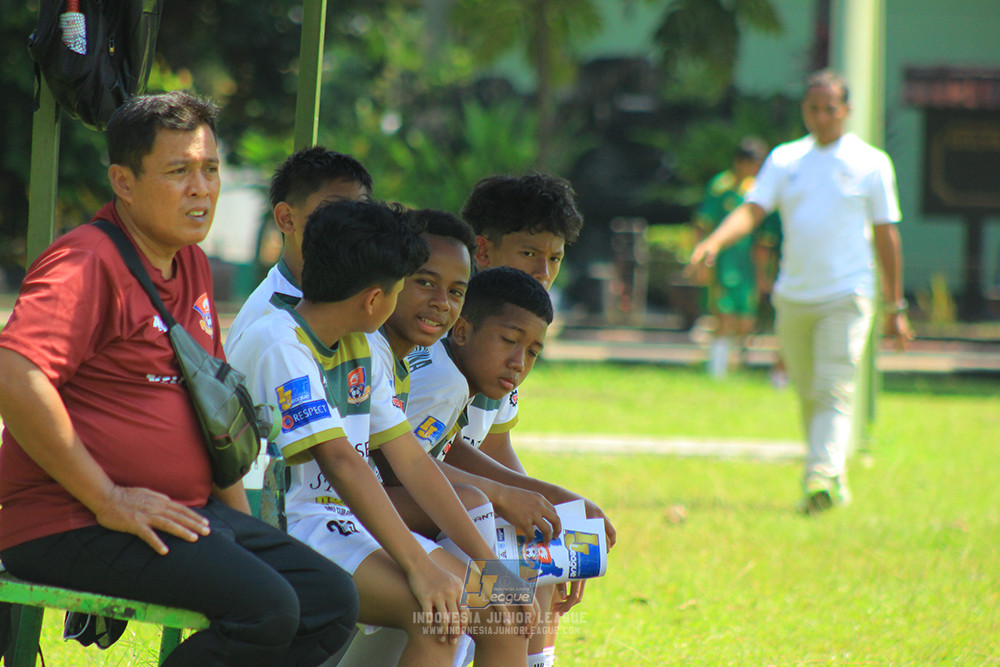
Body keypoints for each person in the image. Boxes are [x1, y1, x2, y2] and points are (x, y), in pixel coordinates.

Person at [0, 91, 359, 666]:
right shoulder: (87, 262)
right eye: (179, 171)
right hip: (70, 519)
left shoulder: (188, 259)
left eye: (210, 169)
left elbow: (208, 410)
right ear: (123, 181)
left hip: (183, 508)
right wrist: (108, 498)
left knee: (332, 600)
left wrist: (243, 531)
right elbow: (15, 377)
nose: (202, 188)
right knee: (267, 609)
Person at [227, 199, 534, 667]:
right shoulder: (279, 343)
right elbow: (342, 462)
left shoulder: (360, 346)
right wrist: (419, 566)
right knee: (441, 616)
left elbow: (411, 460)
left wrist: (495, 570)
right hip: (290, 527)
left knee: (503, 613)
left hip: (344, 524)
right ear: (376, 298)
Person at [689, 70, 914, 513]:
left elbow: (887, 236)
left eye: (831, 108)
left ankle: (820, 478)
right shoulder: (786, 159)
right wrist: (714, 242)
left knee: (833, 387)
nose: (822, 116)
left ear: (847, 110)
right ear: (804, 110)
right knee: (810, 390)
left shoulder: (871, 163)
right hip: (794, 296)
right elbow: (752, 211)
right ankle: (832, 475)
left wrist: (895, 305)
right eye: (813, 107)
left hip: (848, 294)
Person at [458, 173, 613, 667]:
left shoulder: (511, 333)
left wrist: (557, 518)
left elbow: (495, 447)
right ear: (483, 250)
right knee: (517, 575)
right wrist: (537, 503)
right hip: (422, 509)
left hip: (464, 502)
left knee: (542, 553)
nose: (544, 271)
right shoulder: (452, 329)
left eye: (555, 258)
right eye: (529, 253)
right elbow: (421, 454)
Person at [225, 145, 373, 355]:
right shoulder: (268, 321)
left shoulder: (366, 305)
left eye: (363, 209)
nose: (353, 224)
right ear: (286, 218)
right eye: (335, 209)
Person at [692, 137, 772, 378]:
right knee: (723, 316)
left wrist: (763, 272)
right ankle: (716, 371)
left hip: (746, 265)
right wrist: (700, 258)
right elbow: (702, 224)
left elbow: (764, 237)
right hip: (722, 264)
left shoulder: (756, 191)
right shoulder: (720, 187)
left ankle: (734, 365)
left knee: (745, 321)